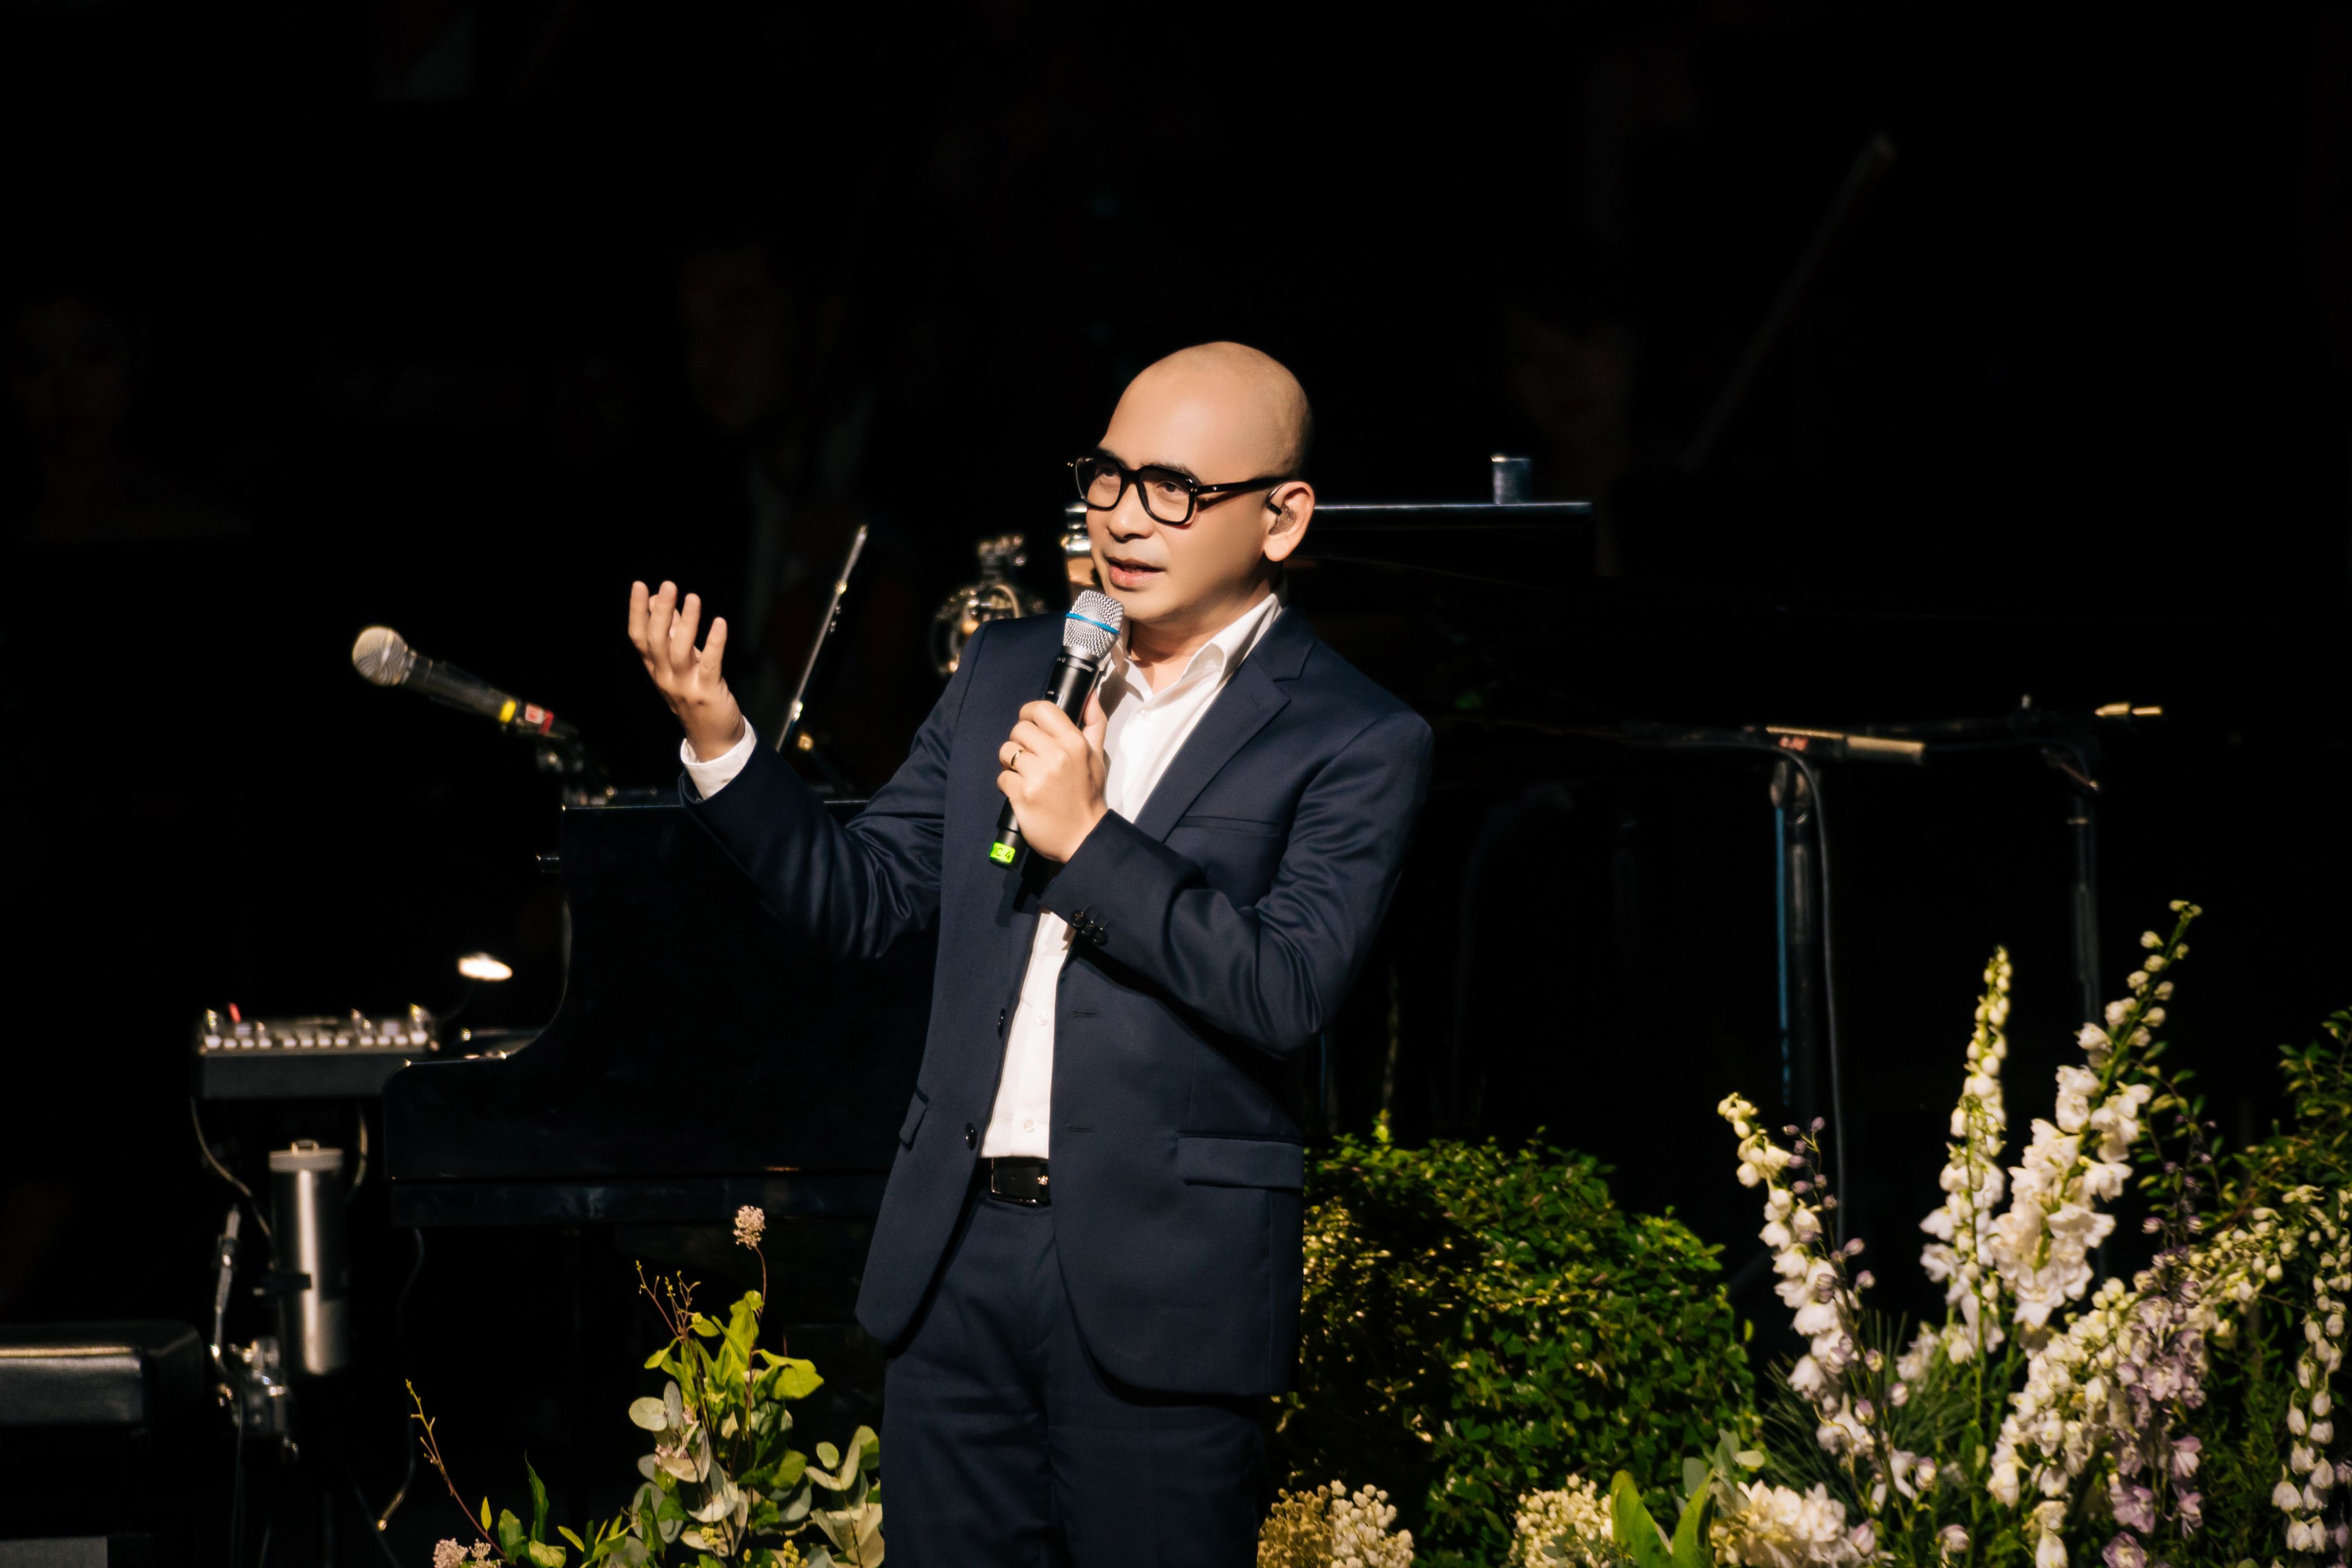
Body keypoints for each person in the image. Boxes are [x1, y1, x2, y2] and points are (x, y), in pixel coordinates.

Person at [626, 342, 1434, 1565]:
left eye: (1174, 489)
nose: (1124, 517)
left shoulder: (1354, 734)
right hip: (957, 1258)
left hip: (1164, 1286)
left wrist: (1091, 840)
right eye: (1107, 477)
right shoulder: (1013, 668)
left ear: (1281, 518)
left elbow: (1286, 987)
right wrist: (723, 739)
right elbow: (864, 896)